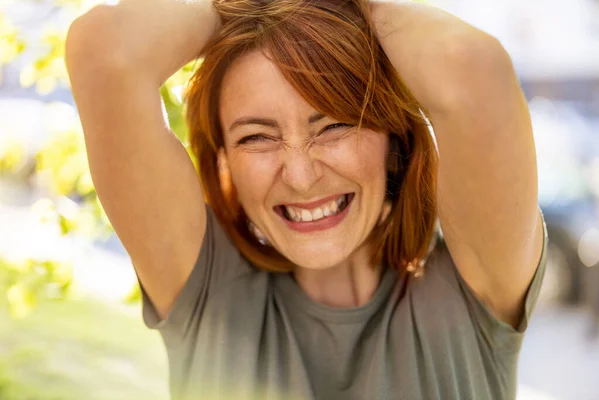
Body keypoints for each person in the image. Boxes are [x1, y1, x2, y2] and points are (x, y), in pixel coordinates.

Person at [65, 0, 548, 399]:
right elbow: (105, 52)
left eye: (335, 125)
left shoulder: (469, 297)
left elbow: (473, 70)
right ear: (225, 160)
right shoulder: (211, 296)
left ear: (393, 141)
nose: (300, 176)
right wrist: (241, 9)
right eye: (257, 137)